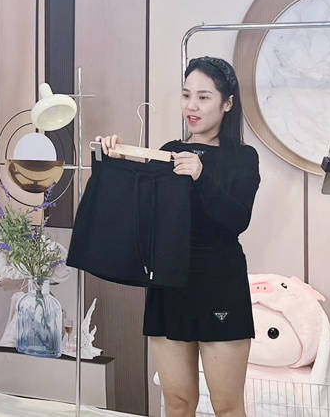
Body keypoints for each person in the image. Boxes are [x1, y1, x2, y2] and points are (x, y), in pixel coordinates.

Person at [95, 56, 260, 417]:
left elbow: (237, 219)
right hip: (169, 284)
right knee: (178, 402)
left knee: (227, 407)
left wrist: (200, 176)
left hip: (220, 285)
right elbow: (139, 212)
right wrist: (112, 159)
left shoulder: (243, 158)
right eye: (186, 95)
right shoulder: (168, 151)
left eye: (203, 97)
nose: (191, 106)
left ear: (227, 103)